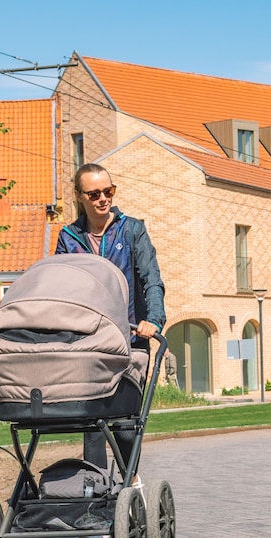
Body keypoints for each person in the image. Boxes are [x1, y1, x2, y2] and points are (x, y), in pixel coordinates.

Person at [55, 162, 166, 493]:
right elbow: (62, 285)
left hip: (130, 338)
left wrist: (154, 320)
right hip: (87, 342)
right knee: (90, 418)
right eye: (94, 193)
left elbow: (151, 280)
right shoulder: (69, 237)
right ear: (80, 196)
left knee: (124, 418)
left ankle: (131, 481)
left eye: (109, 191)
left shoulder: (132, 230)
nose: (103, 199)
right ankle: (94, 491)